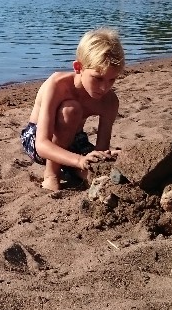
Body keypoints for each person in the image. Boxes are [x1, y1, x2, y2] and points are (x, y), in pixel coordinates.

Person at [20, 28, 125, 191]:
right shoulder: (57, 85)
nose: (104, 87)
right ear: (78, 67)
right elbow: (42, 144)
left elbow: (101, 148)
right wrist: (78, 161)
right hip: (37, 139)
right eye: (97, 78)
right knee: (71, 110)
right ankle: (51, 175)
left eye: (112, 79)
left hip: (76, 140)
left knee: (99, 171)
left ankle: (73, 170)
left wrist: (101, 157)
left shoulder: (110, 101)